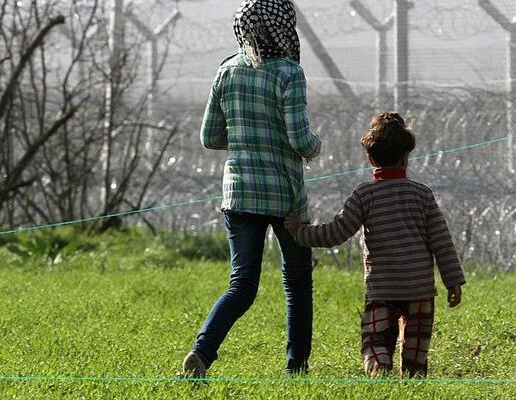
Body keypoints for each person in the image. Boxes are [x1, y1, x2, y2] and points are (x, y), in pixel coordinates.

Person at [181, 0, 322, 379]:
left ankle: (202, 352)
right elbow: (300, 138)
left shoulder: (226, 71)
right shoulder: (290, 73)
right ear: (283, 28)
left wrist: (247, 139)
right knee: (297, 282)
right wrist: (315, 145)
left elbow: (210, 137)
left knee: (241, 285)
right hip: (285, 198)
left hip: (239, 194)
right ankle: (296, 367)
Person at [284, 112, 465, 378]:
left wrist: (299, 231)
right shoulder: (422, 194)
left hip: (382, 288)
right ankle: (413, 384)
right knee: (416, 354)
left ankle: (379, 373)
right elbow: (442, 242)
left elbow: (336, 232)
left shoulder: (364, 195)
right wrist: (453, 281)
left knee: (375, 343)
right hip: (420, 289)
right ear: (406, 157)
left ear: (370, 158)